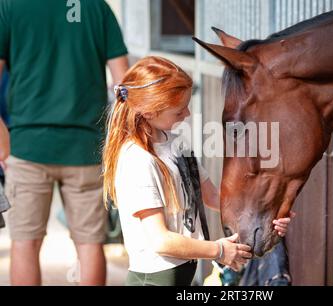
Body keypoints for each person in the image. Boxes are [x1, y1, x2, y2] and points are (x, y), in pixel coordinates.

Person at [102, 56, 294, 286]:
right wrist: (219, 251)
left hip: (182, 273)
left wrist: (268, 213)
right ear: (149, 112)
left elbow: (213, 197)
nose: (187, 115)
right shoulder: (139, 160)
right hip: (153, 280)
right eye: (179, 111)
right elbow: (160, 240)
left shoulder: (174, 142)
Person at [0, 0, 129, 285]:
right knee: (89, 244)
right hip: (87, 148)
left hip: (27, 146)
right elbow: (124, 85)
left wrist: (1, 138)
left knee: (25, 243)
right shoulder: (96, 7)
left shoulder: (10, 6)